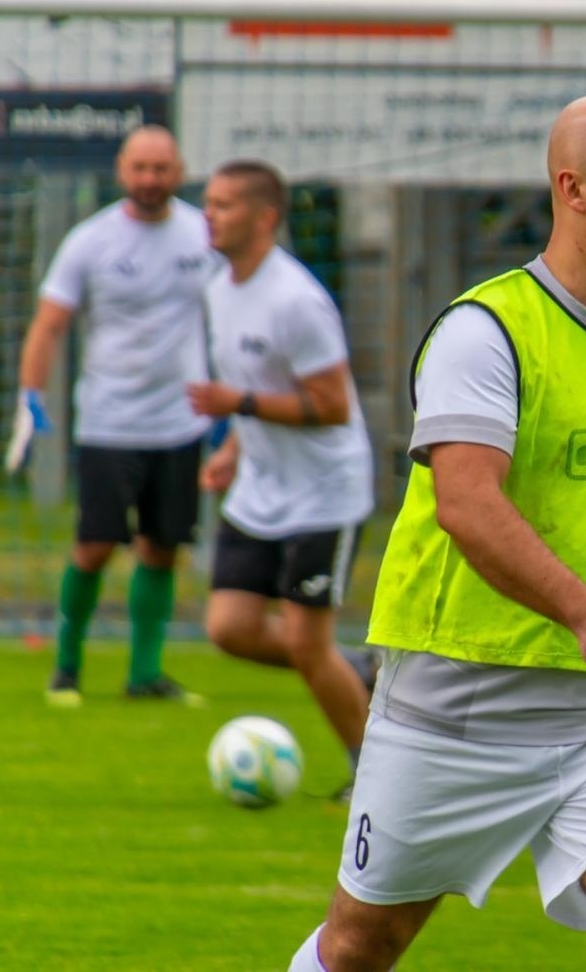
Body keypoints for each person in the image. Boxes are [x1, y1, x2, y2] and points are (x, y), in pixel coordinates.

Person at [287, 94, 586, 972]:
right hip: (459, 704)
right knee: (363, 945)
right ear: (573, 188)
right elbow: (468, 506)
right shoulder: (486, 331)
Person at [186, 160, 377, 803]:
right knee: (231, 629)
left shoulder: (297, 300)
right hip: (261, 489)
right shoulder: (219, 288)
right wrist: (235, 448)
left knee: (304, 639)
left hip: (323, 495)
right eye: (208, 203)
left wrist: (235, 406)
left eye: (225, 205)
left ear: (265, 218)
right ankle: (356, 669)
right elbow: (262, 388)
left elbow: (331, 406)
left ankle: (374, 778)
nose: (209, 215)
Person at [9, 125, 217, 707]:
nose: (150, 179)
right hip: (109, 421)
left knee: (160, 547)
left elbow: (233, 312)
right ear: (122, 170)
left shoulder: (203, 235)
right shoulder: (90, 240)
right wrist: (30, 397)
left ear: (178, 171)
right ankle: (66, 667)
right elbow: (50, 322)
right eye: (139, 168)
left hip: (179, 422)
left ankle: (144, 674)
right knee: (95, 545)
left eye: (161, 168)